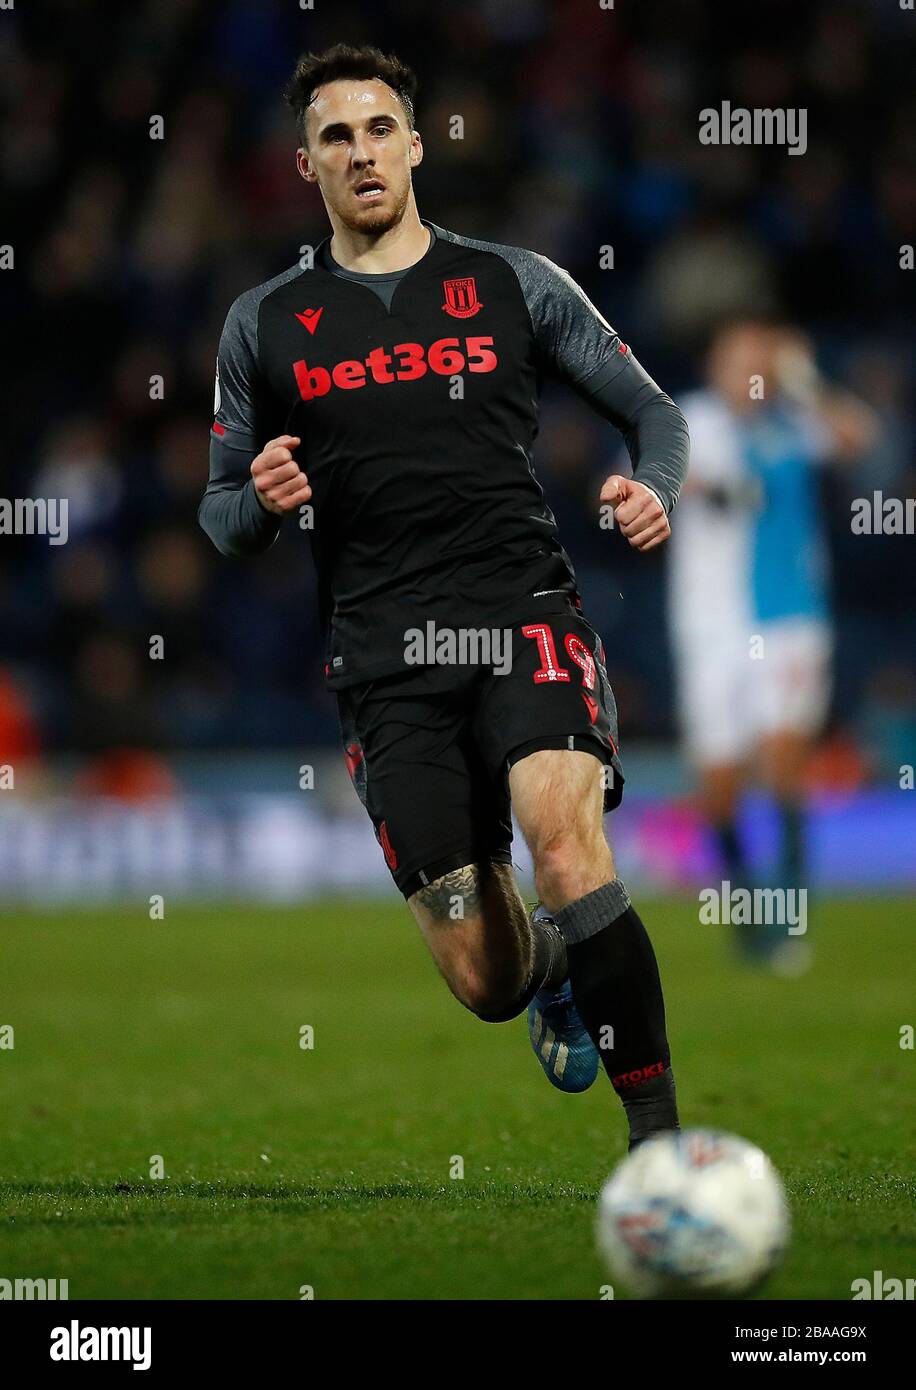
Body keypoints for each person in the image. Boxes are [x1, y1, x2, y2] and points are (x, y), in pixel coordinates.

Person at [199, 44, 690, 1149]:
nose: (361, 152)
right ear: (306, 166)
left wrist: (650, 488)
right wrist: (263, 499)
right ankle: (558, 964)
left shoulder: (513, 282)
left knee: (563, 841)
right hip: (383, 658)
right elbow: (219, 517)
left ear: (416, 146)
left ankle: (659, 1149)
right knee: (483, 977)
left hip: (521, 609)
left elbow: (654, 412)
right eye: (336, 136)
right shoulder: (263, 323)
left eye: (379, 129)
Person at [669, 319, 875, 964]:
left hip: (789, 620)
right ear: (715, 367)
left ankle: (788, 919)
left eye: (762, 362)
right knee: (718, 784)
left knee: (784, 760)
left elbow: (861, 436)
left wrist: (807, 383)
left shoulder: (794, 422)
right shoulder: (689, 421)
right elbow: (653, 476)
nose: (750, 376)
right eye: (738, 362)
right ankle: (748, 913)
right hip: (709, 628)